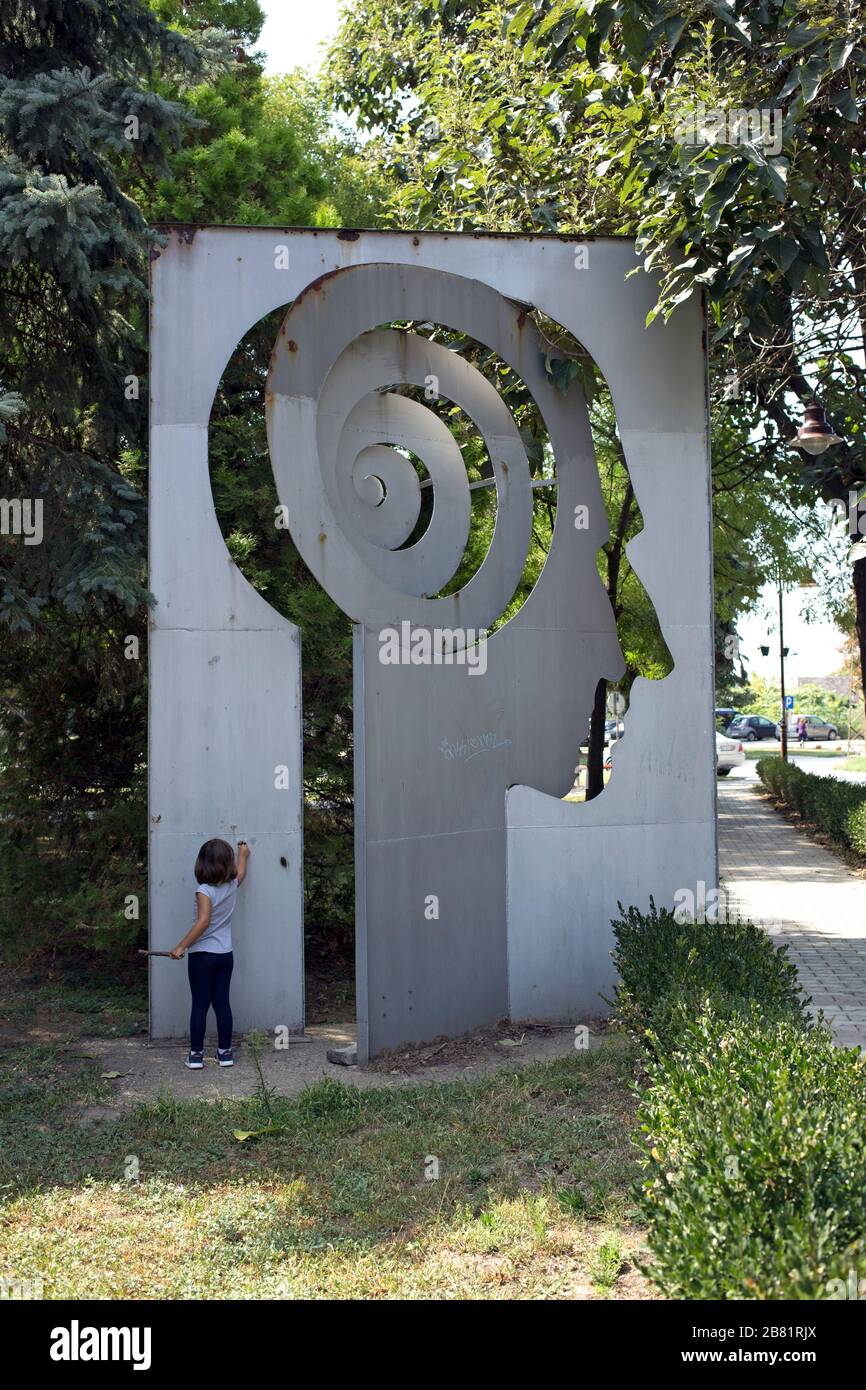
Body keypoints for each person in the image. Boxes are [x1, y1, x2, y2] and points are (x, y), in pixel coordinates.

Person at [169, 838, 250, 1070]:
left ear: (202, 864)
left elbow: (203, 922)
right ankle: (225, 1053)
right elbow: (241, 874)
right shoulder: (232, 885)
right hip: (225, 955)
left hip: (202, 956)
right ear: (228, 863)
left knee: (200, 1005)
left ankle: (196, 1056)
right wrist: (243, 854)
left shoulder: (203, 890)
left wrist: (181, 946)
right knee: (222, 1004)